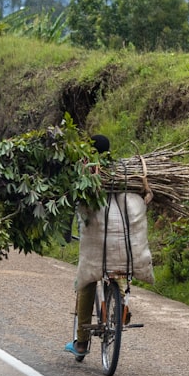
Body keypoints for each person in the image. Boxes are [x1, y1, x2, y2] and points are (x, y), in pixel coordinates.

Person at [65, 134, 110, 358]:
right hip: (117, 242)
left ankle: (81, 343)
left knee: (86, 283)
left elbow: (74, 204)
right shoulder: (119, 175)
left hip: (93, 243)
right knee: (118, 270)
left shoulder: (84, 175)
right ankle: (122, 310)